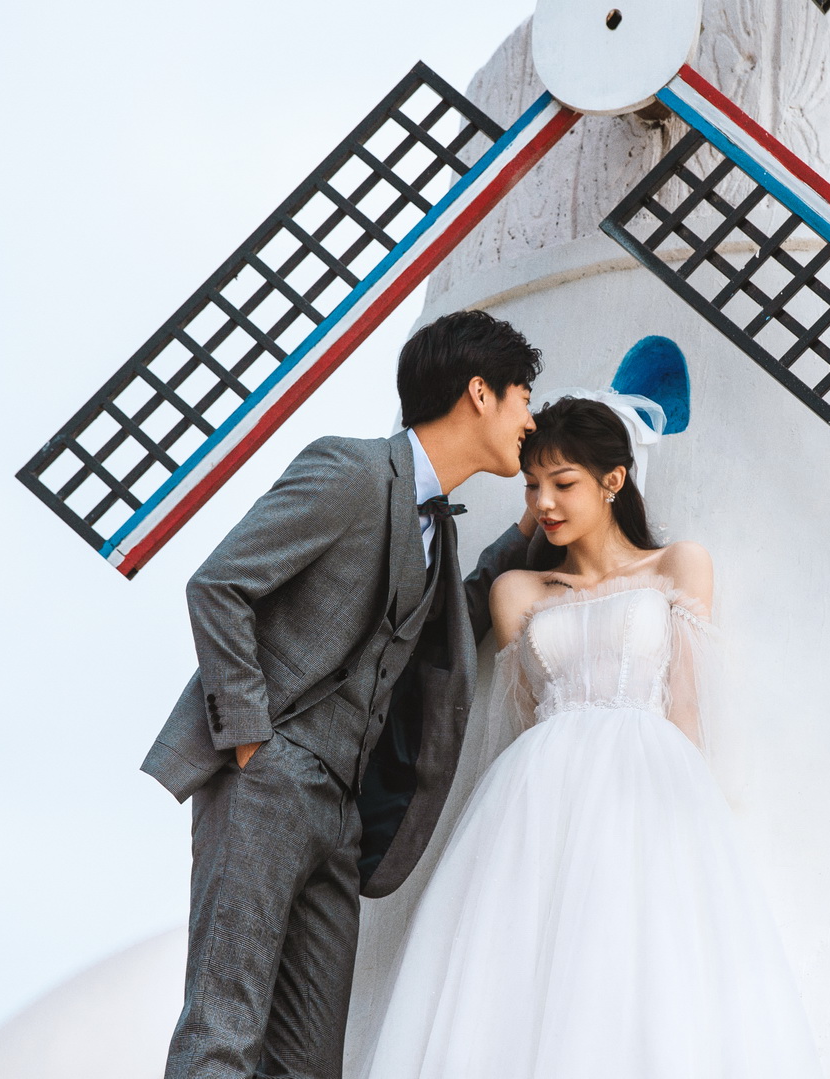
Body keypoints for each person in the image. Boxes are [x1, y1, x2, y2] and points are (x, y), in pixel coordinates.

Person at [357, 395, 823, 1078]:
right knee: (517, 981)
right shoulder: (517, 591)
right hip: (536, 803)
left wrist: (687, 825)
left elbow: (687, 708)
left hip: (649, 789)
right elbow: (524, 716)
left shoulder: (678, 565)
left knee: (639, 971)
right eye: (531, 485)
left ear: (613, 480)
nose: (544, 502)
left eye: (563, 482)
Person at [141, 310, 545, 1079]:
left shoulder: (436, 529)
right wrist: (251, 740)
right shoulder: (352, 470)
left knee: (310, 1063)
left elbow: (442, 627)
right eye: (524, 397)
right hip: (267, 775)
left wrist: (526, 530)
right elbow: (219, 585)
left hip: (342, 814)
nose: (531, 419)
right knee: (224, 1029)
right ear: (480, 392)